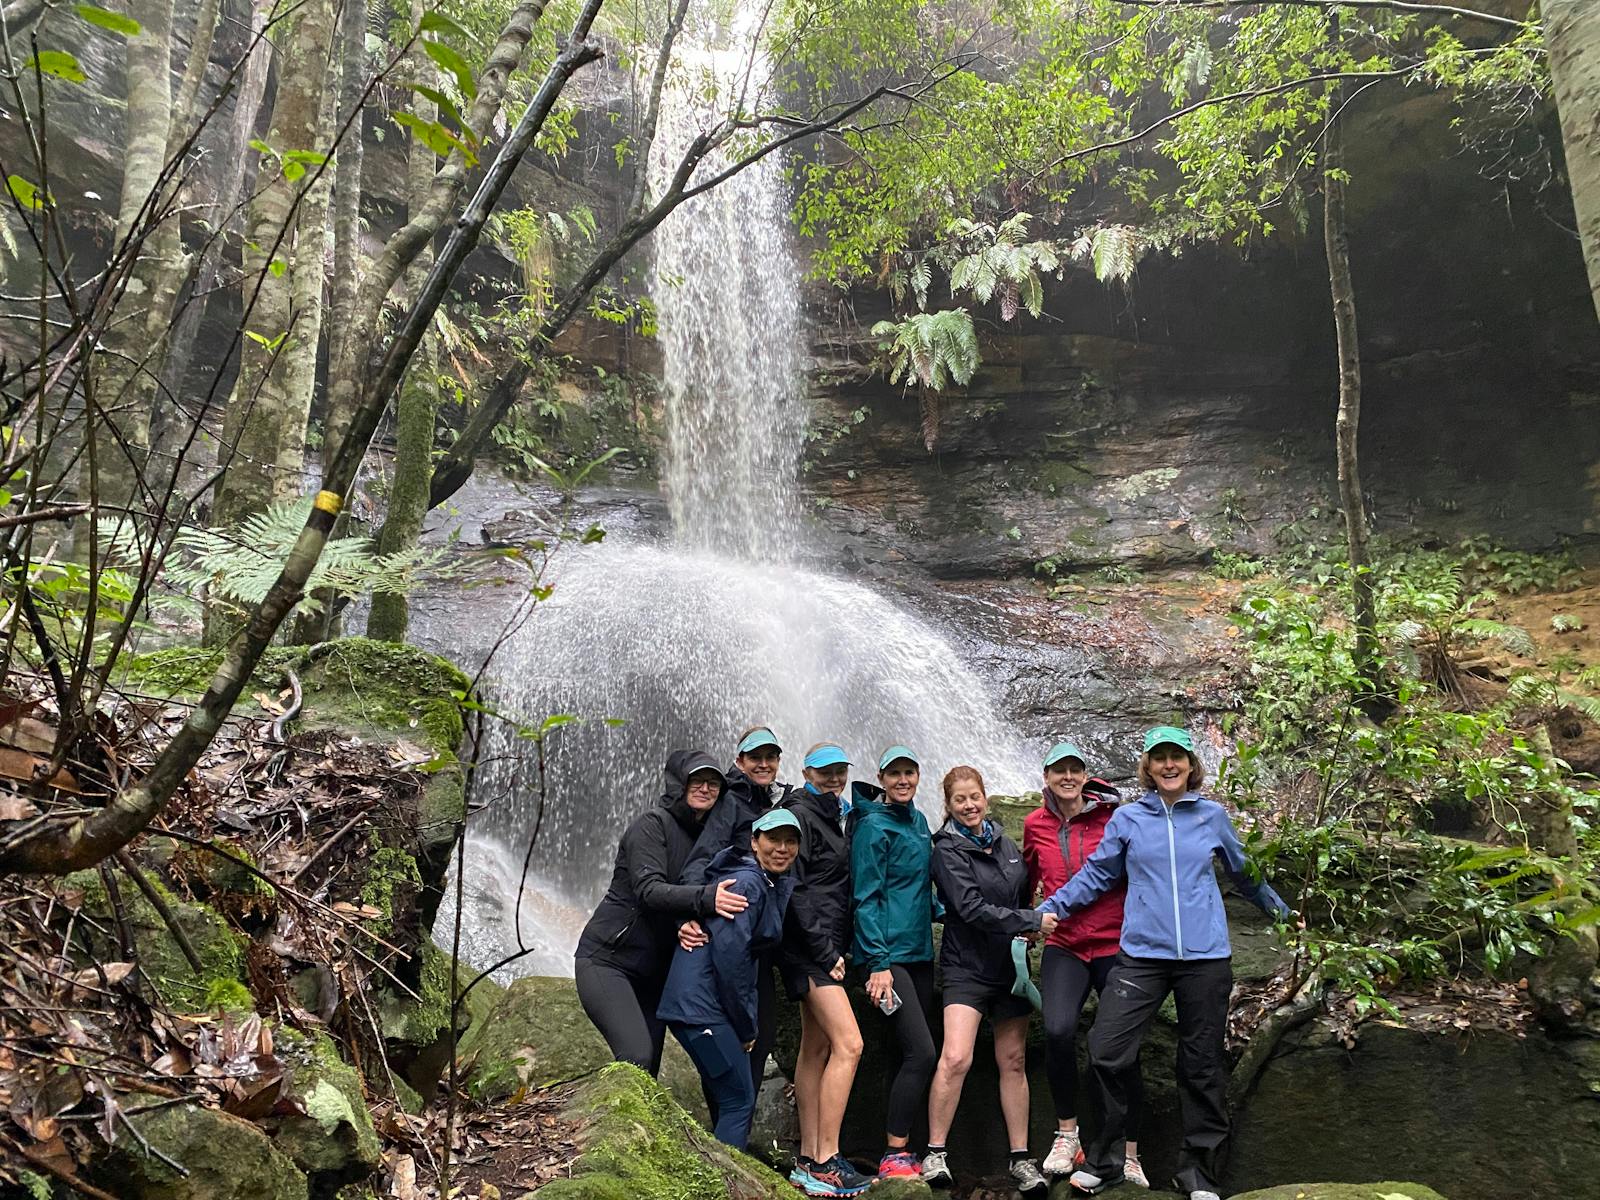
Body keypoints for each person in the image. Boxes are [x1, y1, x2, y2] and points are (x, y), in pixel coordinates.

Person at [1038, 727, 1290, 1200]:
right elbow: (1096, 876)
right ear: (1148, 768)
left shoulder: (1213, 817)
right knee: (1107, 1048)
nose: (1169, 765)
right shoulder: (1129, 819)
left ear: (1190, 765)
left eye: (1177, 757)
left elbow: (1245, 873)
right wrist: (1052, 909)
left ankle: (1197, 1174)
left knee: (1200, 1065)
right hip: (1141, 957)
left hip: (1205, 958)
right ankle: (1107, 1160)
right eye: (1160, 758)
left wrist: (1283, 914)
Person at [922, 765, 1057, 1196]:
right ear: (948, 804)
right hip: (966, 967)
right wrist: (1030, 919)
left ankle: (1020, 1158)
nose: (969, 805)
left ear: (985, 797)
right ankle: (935, 1152)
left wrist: (1029, 928)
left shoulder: (1006, 843)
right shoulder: (946, 850)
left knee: (1013, 1060)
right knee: (956, 1056)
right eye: (960, 799)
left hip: (1008, 967)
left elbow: (1021, 893)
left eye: (974, 797)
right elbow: (969, 907)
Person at [574, 751, 751, 1075]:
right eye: (697, 780)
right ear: (678, 783)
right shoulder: (652, 825)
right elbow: (649, 890)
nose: (706, 788)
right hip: (609, 961)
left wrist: (687, 920)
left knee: (648, 1069)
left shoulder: (708, 842)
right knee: (636, 1056)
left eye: (714, 783)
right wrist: (707, 898)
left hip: (655, 974)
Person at [1022, 741, 1148, 1186]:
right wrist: (1024, 924)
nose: (1068, 777)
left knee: (1121, 1047)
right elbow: (1028, 878)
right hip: (1067, 945)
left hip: (1115, 944)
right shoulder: (1035, 824)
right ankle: (1067, 1133)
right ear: (1047, 777)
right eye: (1059, 771)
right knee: (1056, 1031)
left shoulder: (1114, 818)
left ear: (1085, 775)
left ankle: (1130, 1152)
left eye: (1074, 769)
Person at [656, 808, 801, 1149]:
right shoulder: (749, 883)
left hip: (691, 1005)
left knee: (731, 1098)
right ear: (754, 842)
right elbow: (731, 958)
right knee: (738, 1102)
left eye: (790, 841)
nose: (782, 848)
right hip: (701, 1008)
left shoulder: (756, 880)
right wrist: (747, 1025)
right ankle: (721, 1185)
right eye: (773, 839)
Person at [678, 725, 792, 1095]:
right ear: (739, 762)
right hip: (732, 935)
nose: (763, 764)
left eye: (770, 757)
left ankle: (734, 1132)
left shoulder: (778, 801)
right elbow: (700, 860)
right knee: (738, 1038)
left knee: (762, 1035)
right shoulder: (730, 802)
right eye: (754, 757)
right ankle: (725, 1132)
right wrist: (691, 911)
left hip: (764, 940)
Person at [784, 743, 874, 1198]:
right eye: (825, 771)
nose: (835, 777)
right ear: (806, 772)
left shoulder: (835, 812)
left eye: (840, 770)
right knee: (849, 1044)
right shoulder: (800, 814)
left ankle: (807, 1156)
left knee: (815, 1047)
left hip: (822, 947)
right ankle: (826, 1161)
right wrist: (824, 950)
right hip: (810, 951)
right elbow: (796, 891)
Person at [850, 745, 939, 1181]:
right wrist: (878, 962)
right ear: (882, 780)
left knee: (902, 1054)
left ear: (918, 776)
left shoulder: (919, 821)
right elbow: (866, 897)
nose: (903, 780)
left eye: (909, 772)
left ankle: (905, 1148)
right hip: (890, 958)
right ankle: (895, 1152)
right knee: (923, 1052)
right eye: (894, 774)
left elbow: (921, 887)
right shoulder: (872, 826)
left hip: (920, 952)